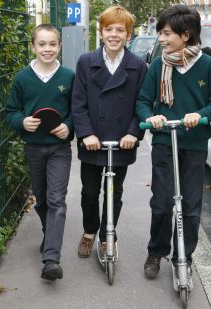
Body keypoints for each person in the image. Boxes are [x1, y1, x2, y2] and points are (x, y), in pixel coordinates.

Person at [136, 5, 211, 279]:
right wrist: (150, 119)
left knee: (190, 206)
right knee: (163, 202)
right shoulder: (158, 65)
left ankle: (183, 256)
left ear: (185, 35)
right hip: (165, 141)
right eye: (160, 34)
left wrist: (199, 116)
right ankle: (156, 251)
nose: (161, 39)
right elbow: (143, 101)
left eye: (166, 34)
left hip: (195, 144)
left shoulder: (207, 65)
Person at [71, 5, 148, 259]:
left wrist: (133, 134)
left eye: (120, 30)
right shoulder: (85, 62)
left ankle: (108, 236)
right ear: (101, 32)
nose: (114, 35)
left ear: (129, 34)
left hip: (121, 141)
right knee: (89, 193)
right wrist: (86, 134)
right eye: (108, 29)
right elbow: (78, 102)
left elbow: (142, 104)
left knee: (114, 194)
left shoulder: (138, 66)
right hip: (93, 140)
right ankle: (90, 231)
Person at [5, 24, 75, 281]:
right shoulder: (22, 78)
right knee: (42, 199)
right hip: (34, 147)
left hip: (59, 149)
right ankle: (50, 232)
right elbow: (11, 112)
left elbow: (76, 112)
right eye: (42, 44)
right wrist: (22, 122)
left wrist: (68, 127)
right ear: (32, 47)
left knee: (57, 200)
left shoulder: (69, 77)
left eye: (52, 44)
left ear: (60, 47)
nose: (47, 49)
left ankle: (51, 259)